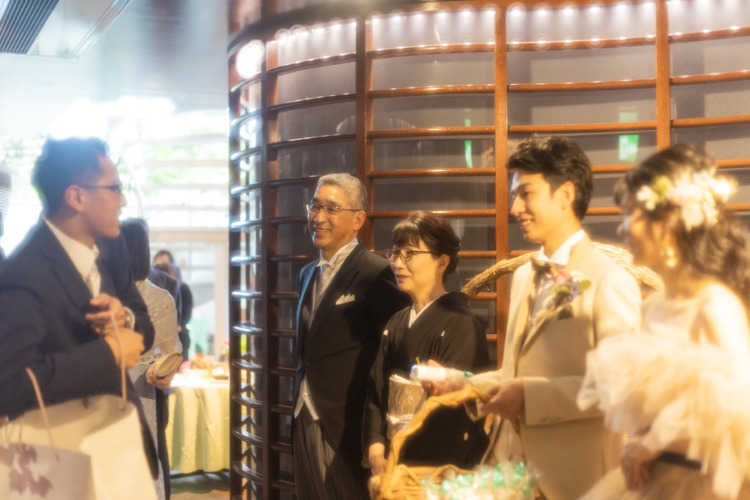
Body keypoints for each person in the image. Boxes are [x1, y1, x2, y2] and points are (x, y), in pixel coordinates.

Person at [462, 137, 642, 500]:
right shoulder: (523, 276)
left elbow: (623, 387)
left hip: (576, 484)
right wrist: (463, 386)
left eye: (526, 193)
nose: (515, 207)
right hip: (512, 477)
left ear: (565, 195)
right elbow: (519, 373)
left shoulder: (610, 280)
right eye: (515, 195)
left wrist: (531, 397)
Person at [578, 144, 750, 500]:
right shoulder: (652, 306)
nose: (623, 229)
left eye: (630, 214)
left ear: (670, 219)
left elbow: (741, 415)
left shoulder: (715, 305)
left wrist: (652, 444)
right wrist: (637, 442)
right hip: (651, 481)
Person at [0, 137, 158, 477]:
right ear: (76, 197)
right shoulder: (23, 273)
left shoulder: (112, 246)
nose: (122, 199)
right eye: (114, 188)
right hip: (59, 460)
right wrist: (110, 352)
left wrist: (124, 318)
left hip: (121, 441)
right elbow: (9, 385)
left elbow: (144, 326)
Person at [293, 173, 410, 499]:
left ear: (358, 220)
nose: (318, 217)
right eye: (315, 206)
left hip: (348, 426)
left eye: (331, 208)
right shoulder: (306, 274)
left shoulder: (376, 272)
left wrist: (380, 435)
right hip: (303, 414)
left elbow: (394, 357)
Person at [364, 211, 491, 476]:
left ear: (441, 262)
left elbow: (454, 410)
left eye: (409, 254)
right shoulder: (396, 322)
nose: (397, 263)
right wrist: (376, 450)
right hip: (394, 461)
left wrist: (413, 470)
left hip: (436, 468)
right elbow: (377, 392)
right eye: (395, 253)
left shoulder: (461, 323)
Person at [121, 218, 181, 500]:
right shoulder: (94, 291)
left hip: (140, 393)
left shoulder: (160, 298)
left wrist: (162, 371)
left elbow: (169, 355)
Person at [154, 249, 193, 357]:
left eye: (164, 261)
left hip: (178, 336)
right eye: (158, 261)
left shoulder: (182, 287)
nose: (160, 264)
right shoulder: (152, 288)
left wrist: (178, 326)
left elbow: (187, 312)